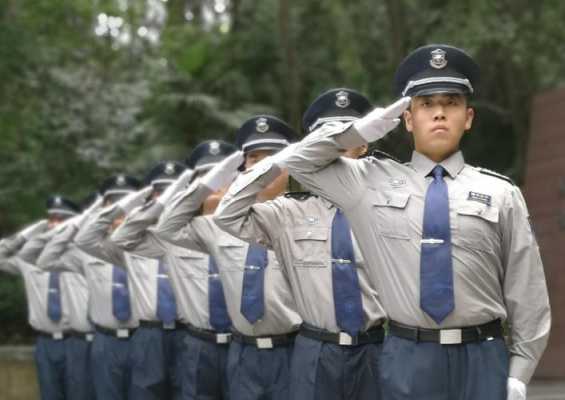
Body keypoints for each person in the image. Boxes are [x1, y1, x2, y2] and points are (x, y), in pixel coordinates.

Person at [278, 44, 550, 400]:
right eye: (425, 104)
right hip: (408, 356)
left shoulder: (500, 192)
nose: (439, 113)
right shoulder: (367, 183)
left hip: (483, 357)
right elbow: (296, 162)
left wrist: (519, 372)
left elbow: (526, 290)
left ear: (468, 117)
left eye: (451, 103)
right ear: (407, 119)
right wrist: (357, 132)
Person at [214, 88, 388, 400]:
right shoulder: (288, 212)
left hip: (377, 350)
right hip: (314, 352)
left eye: (345, 137)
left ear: (362, 144)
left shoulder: (391, 205)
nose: (335, 147)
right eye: (325, 138)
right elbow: (227, 214)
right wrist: (280, 161)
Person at [153, 119, 302, 400]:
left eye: (271, 159)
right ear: (242, 168)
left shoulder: (305, 218)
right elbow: (166, 227)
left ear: (288, 164)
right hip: (242, 354)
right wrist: (207, 184)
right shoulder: (219, 225)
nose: (261, 167)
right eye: (253, 158)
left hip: (293, 351)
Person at [110, 144, 233, 400]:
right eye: (207, 178)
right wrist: (166, 198)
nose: (216, 185)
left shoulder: (257, 225)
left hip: (242, 344)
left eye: (221, 176)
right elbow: (123, 238)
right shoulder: (175, 235)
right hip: (198, 341)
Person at [75, 168, 180, 400]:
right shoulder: (126, 244)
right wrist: (123, 207)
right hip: (131, 337)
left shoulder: (192, 238)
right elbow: (83, 238)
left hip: (181, 335)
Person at [0, 195, 94, 400]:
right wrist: (25, 236)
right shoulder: (30, 258)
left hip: (77, 341)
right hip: (45, 343)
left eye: (62, 220)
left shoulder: (81, 257)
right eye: (51, 219)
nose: (55, 225)